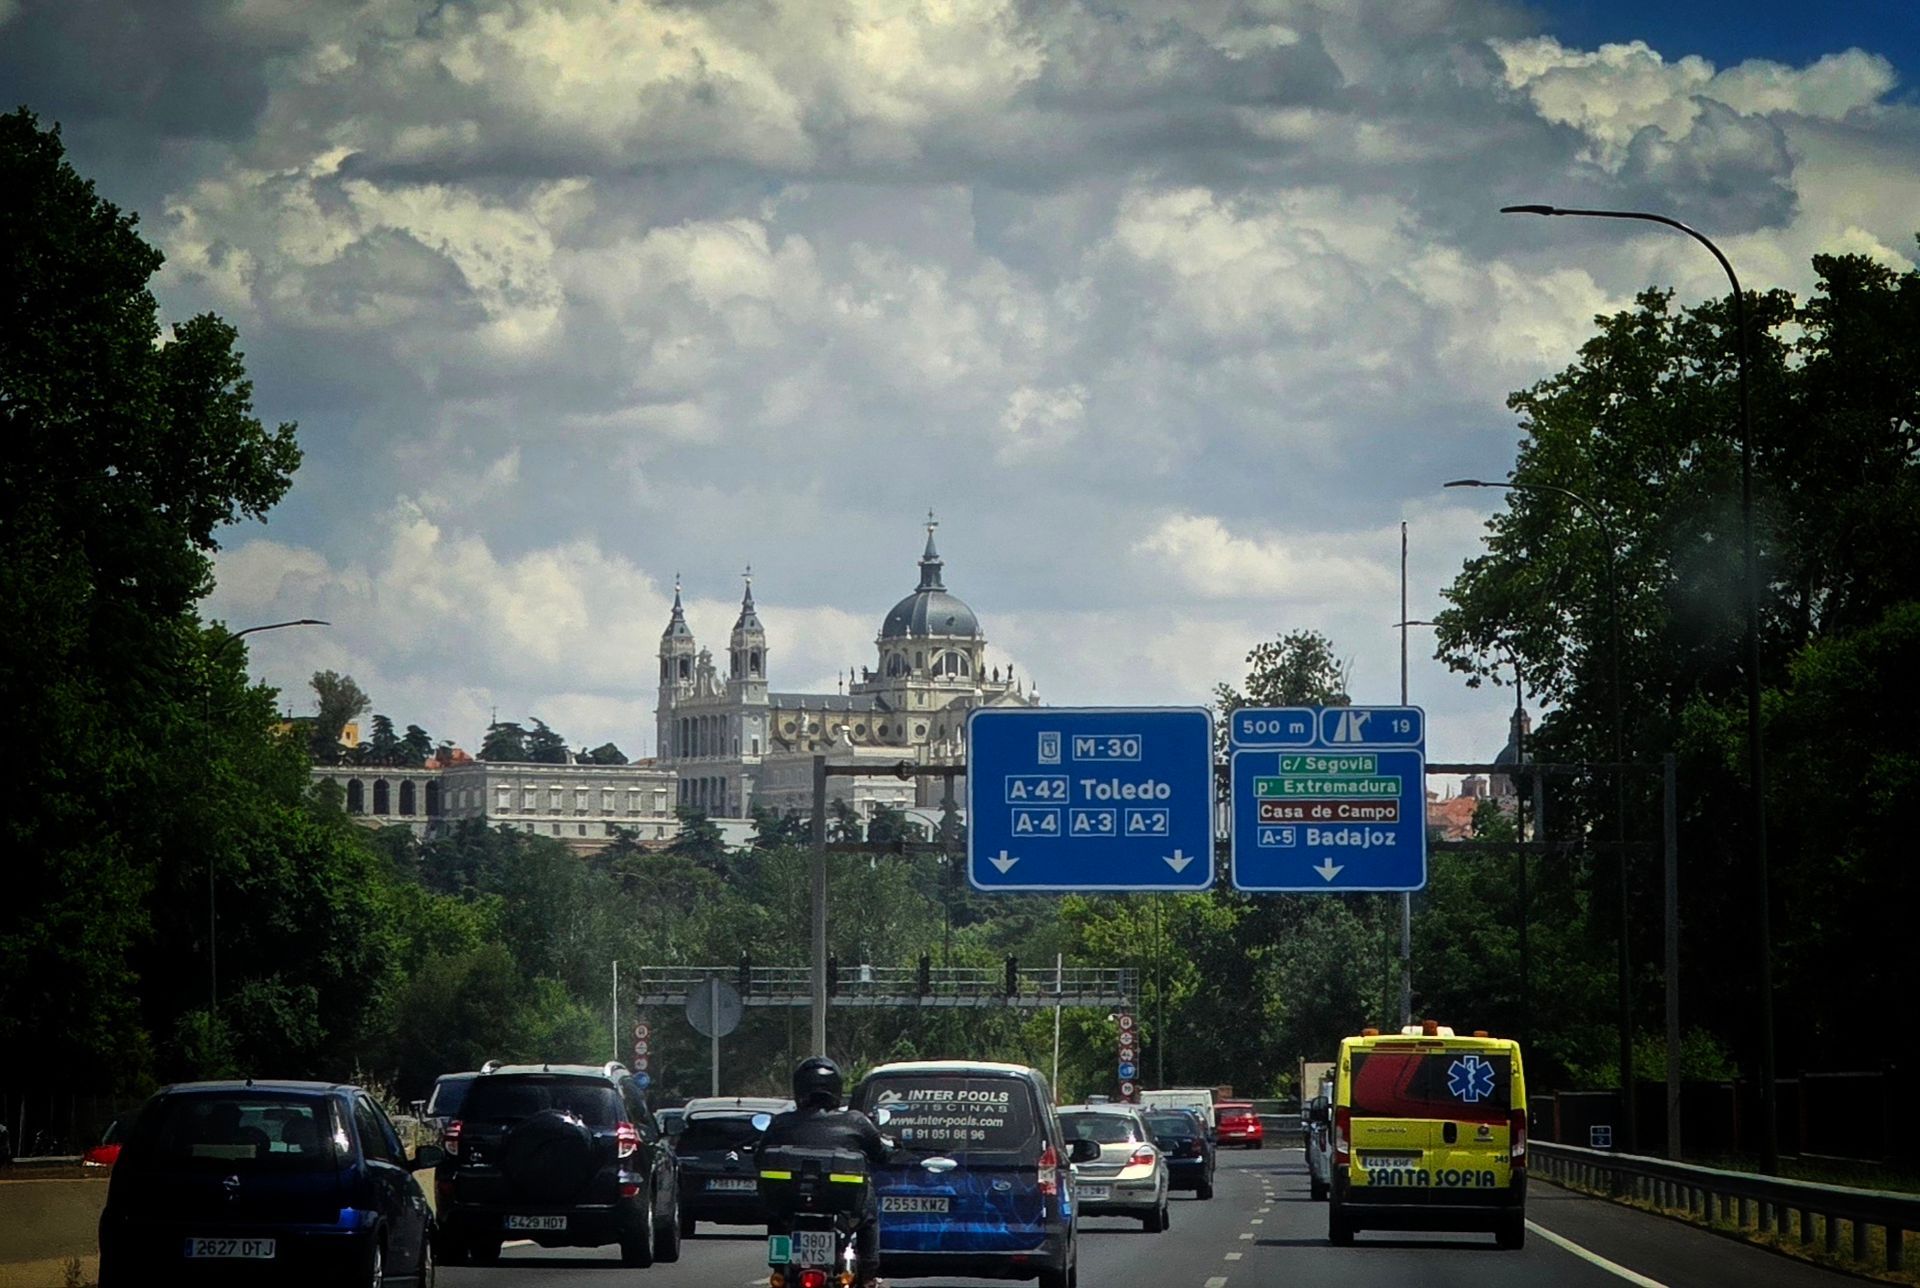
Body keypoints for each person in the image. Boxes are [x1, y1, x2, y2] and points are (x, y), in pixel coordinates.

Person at [758, 1057, 888, 1285]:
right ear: (836, 1088)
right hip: (842, 1209)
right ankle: (868, 1275)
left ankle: (779, 1268)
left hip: (792, 1208)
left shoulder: (781, 1123)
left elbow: (759, 1159)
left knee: (776, 1214)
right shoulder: (856, 1121)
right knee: (868, 1215)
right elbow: (882, 1155)